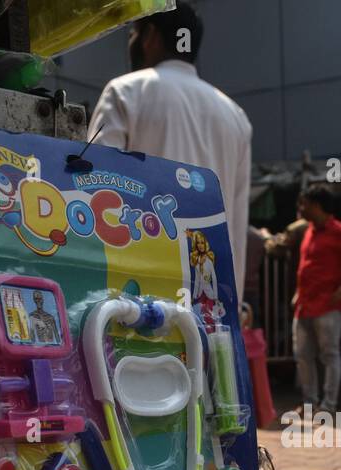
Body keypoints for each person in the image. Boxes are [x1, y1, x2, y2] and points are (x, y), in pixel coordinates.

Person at [87, 2, 252, 296]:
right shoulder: (235, 116)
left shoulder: (126, 92)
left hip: (138, 298)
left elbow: (95, 189)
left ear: (150, 35)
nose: (132, 43)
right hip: (211, 301)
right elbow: (237, 223)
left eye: (132, 34)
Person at [291, 183, 341, 413]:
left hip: (328, 305)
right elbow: (306, 266)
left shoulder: (340, 231)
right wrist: (298, 293)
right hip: (305, 305)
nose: (301, 208)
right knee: (303, 356)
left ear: (316, 205)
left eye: (304, 204)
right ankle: (310, 403)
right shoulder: (309, 231)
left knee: (329, 355)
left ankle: (328, 405)